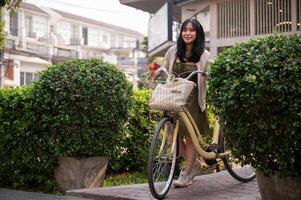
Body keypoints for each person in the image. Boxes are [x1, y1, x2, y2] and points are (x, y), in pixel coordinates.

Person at [153, 18, 211, 188]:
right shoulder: (173, 51)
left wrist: (208, 75)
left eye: (192, 30)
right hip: (174, 98)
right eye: (185, 30)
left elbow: (208, 72)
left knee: (190, 137)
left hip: (192, 100)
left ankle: (186, 173)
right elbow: (165, 67)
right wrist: (160, 71)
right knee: (172, 135)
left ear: (197, 33)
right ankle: (194, 164)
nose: (187, 33)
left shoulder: (204, 55)